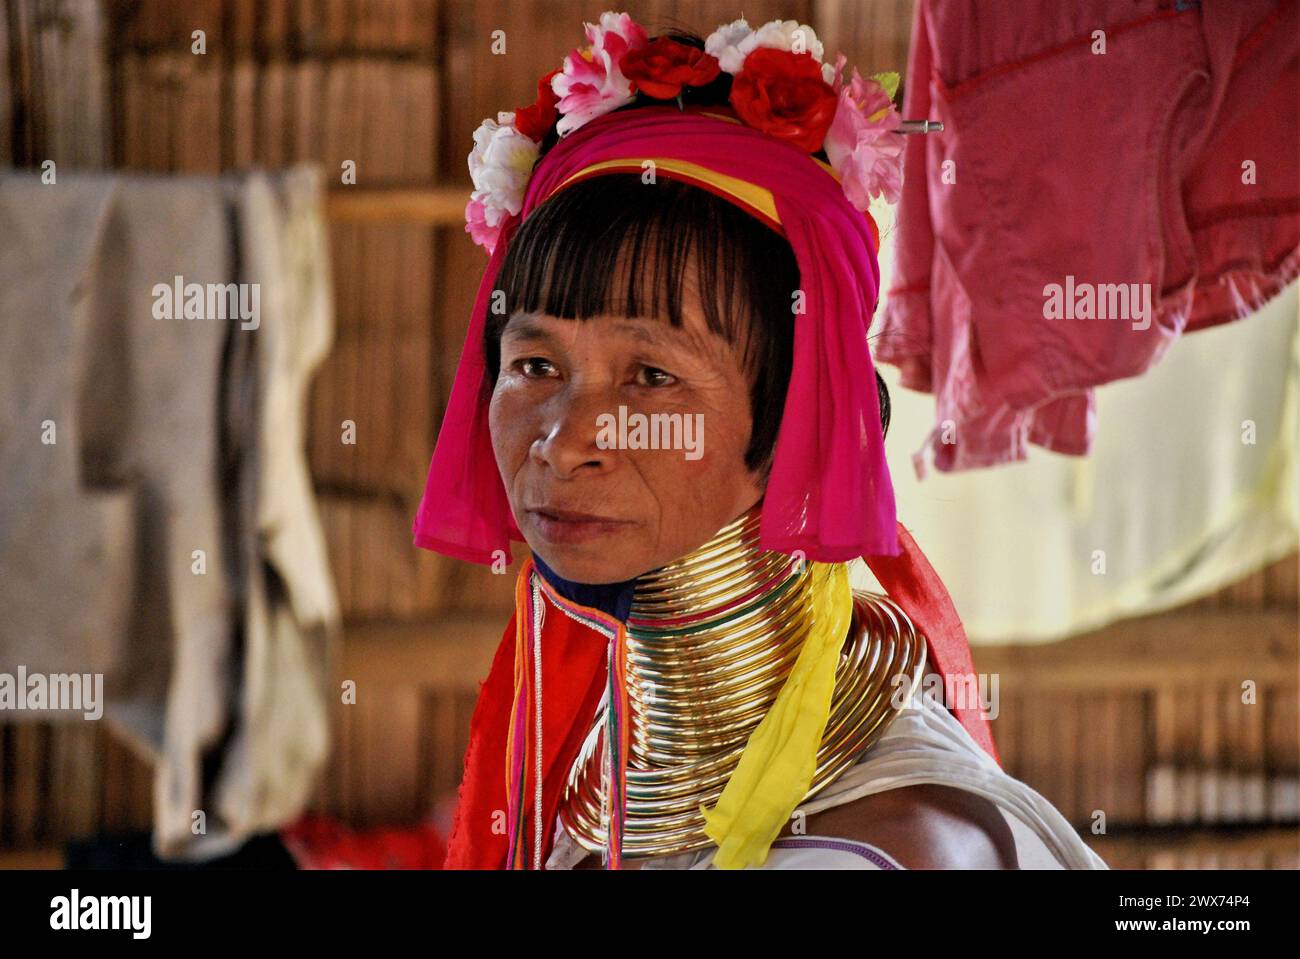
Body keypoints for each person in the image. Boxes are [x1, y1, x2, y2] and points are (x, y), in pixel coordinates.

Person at [413, 12, 1108, 870]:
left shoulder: (875, 850)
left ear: (795, 422)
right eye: (534, 365)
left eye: (651, 376)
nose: (562, 442)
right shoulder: (590, 779)